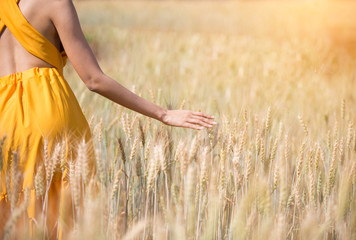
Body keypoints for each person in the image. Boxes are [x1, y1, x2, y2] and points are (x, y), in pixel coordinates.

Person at [0, 0, 216, 238]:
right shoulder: (55, 1)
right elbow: (94, 80)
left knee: (14, 214)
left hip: (5, 120)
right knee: (63, 219)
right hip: (49, 117)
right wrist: (163, 114)